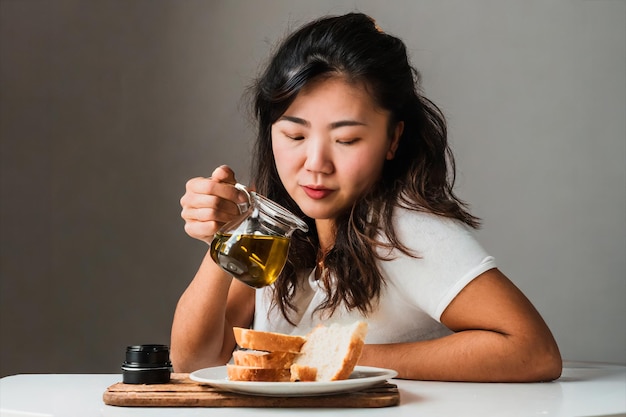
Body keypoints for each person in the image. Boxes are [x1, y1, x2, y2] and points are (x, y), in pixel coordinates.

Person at [171, 12, 562, 382]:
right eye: (294, 135)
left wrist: (333, 355)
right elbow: (194, 362)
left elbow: (534, 351)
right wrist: (220, 241)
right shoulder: (280, 227)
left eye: (346, 139)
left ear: (392, 139)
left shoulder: (405, 230)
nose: (315, 163)